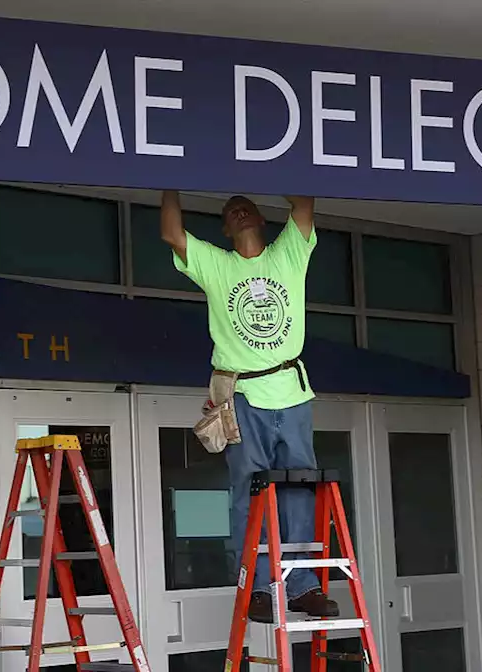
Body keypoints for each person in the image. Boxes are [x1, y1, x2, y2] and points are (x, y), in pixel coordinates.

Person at [160, 190, 338, 624]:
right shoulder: (218, 265)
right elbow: (171, 232)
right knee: (248, 492)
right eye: (229, 211)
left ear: (261, 217)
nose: (238, 211)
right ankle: (258, 587)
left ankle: (302, 587)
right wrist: (168, 182)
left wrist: (272, 166)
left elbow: (304, 204)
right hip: (243, 395)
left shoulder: (287, 256)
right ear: (224, 228)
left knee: (299, 489)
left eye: (245, 206)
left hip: (291, 391)